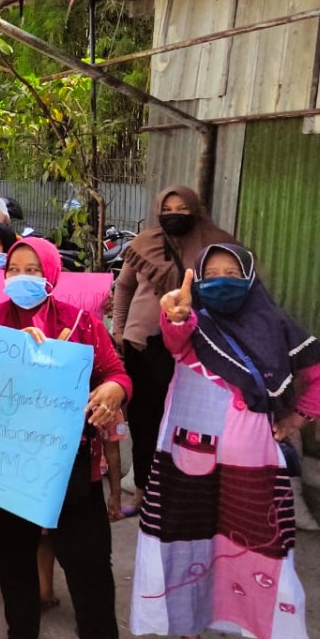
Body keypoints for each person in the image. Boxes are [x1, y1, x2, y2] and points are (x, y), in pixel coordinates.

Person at [131, 244, 320, 639]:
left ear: (251, 277)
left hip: (253, 462)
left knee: (266, 548)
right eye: (212, 272)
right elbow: (174, 338)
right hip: (186, 456)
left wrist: (298, 417)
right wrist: (177, 314)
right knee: (186, 542)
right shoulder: (192, 319)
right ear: (198, 280)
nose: (222, 279)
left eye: (232, 271)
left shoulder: (274, 323)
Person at [0, 237, 141, 639]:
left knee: (88, 558)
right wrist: (10, 351)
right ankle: (20, 637)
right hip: (7, 464)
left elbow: (117, 373)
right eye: (15, 269)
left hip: (73, 466)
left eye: (33, 269)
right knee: (13, 554)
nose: (22, 277)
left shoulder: (81, 323)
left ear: (51, 274)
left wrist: (114, 391)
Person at [112, 185, 236, 517]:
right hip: (142, 345)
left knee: (187, 424)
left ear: (195, 208)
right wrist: (120, 332)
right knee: (143, 421)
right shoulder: (144, 243)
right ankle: (143, 493)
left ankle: (182, 497)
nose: (173, 214)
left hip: (189, 349)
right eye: (167, 209)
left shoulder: (216, 246)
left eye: (182, 208)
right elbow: (124, 287)